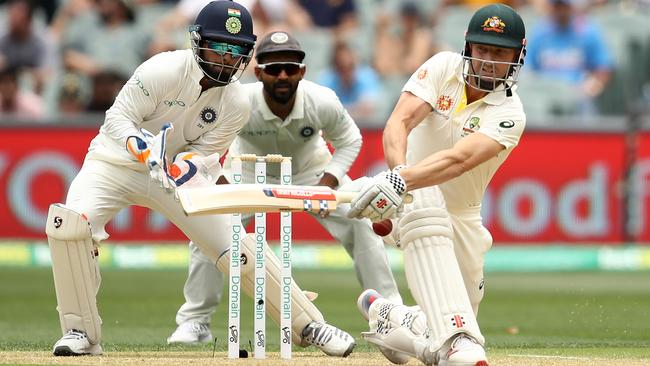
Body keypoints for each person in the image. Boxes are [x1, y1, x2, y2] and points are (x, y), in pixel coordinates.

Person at [44, 0, 354, 357]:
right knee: (68, 225)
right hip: (115, 164)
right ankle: (80, 332)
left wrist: (186, 166)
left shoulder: (236, 102)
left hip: (174, 178)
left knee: (236, 244)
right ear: (198, 41)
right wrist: (140, 145)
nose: (226, 58)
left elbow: (205, 154)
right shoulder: (162, 69)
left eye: (236, 50)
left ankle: (308, 323)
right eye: (219, 47)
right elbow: (116, 119)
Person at [167, 30, 402, 345]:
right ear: (258, 71)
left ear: (302, 72)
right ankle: (195, 322)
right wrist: (221, 188)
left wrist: (326, 185)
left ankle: (390, 316)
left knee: (360, 221)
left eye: (290, 69)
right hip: (249, 171)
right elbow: (206, 146)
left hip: (310, 172)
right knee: (210, 228)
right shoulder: (239, 101)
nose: (282, 75)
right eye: (274, 68)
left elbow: (350, 140)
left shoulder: (322, 101)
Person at [343, 4, 527, 365]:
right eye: (483, 49)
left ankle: (392, 319)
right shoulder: (443, 66)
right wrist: (399, 183)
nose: (489, 61)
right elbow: (399, 123)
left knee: (447, 324)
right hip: (411, 202)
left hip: (461, 215)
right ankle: (444, 341)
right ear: (468, 47)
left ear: (516, 56)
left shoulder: (511, 114)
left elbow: (459, 161)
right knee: (458, 339)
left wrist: (399, 181)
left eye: (500, 52)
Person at [525, 0, 612, 117]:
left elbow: (603, 67)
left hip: (577, 96)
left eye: (564, 7)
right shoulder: (540, 32)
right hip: (546, 94)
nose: (560, 11)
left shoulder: (587, 31)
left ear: (571, 7)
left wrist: (593, 85)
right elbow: (527, 67)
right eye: (557, 6)